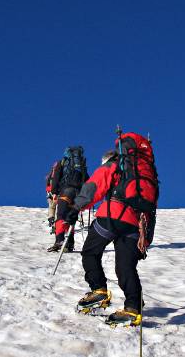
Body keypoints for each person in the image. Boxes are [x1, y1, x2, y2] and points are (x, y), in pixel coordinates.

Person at [63, 131, 158, 326]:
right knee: (125, 267)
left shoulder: (116, 165)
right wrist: (146, 239)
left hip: (111, 217)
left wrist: (76, 207)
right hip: (136, 227)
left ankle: (99, 291)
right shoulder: (148, 172)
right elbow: (150, 208)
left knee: (90, 252)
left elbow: (95, 186)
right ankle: (133, 308)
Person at [47, 146, 88, 252]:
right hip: (78, 193)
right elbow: (87, 179)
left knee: (61, 215)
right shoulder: (81, 165)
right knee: (71, 217)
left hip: (66, 191)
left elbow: (56, 178)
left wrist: (54, 192)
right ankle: (70, 243)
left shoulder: (62, 162)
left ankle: (60, 241)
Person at [44, 160, 60, 232]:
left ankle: (51, 218)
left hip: (49, 193)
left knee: (51, 206)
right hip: (56, 193)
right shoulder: (59, 173)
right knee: (57, 207)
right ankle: (55, 225)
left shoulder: (50, 174)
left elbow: (47, 184)